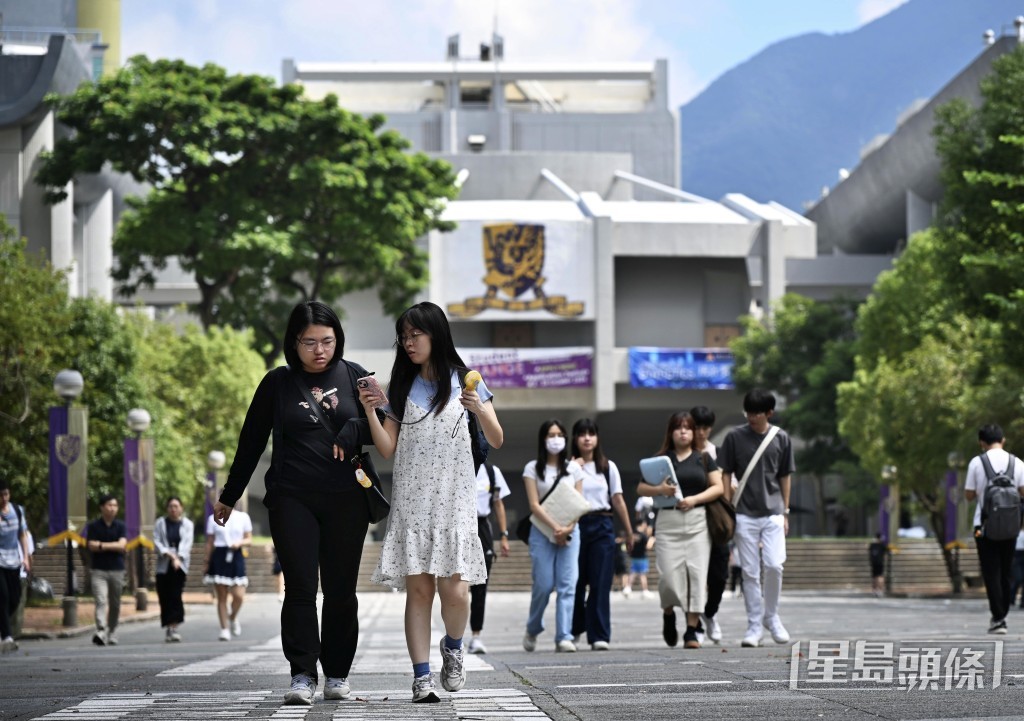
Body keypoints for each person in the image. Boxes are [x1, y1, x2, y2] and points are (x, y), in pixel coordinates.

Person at [215, 300, 375, 705]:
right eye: (309, 342)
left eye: (327, 341)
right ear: (294, 342)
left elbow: (387, 428)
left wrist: (356, 425)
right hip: (292, 499)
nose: (319, 350)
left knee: (340, 591)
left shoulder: (357, 376)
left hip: (346, 501)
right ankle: (302, 673)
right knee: (301, 588)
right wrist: (230, 496)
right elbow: (250, 441)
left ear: (337, 339)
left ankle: (337, 673)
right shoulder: (277, 383)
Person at [362, 301, 503, 703]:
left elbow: (496, 439)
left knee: (456, 592)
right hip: (412, 502)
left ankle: (454, 649)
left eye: (415, 335)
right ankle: (421, 677)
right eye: (403, 337)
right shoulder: (401, 386)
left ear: (435, 335)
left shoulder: (467, 381)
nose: (408, 343)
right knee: (419, 592)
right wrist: (373, 410)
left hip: (455, 502)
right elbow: (387, 448)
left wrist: (481, 411)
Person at [638, 411, 723, 649]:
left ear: (694, 432)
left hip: (697, 522)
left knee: (696, 575)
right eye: (678, 427)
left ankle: (691, 630)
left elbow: (717, 488)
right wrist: (660, 491)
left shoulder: (704, 458)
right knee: (668, 576)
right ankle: (668, 613)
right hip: (668, 522)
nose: (683, 431)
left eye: (687, 427)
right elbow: (641, 488)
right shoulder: (661, 459)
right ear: (671, 432)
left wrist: (695, 499)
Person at [719, 388, 795, 648]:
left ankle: (771, 617)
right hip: (743, 514)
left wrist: (786, 510)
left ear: (769, 413)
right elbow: (726, 474)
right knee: (749, 572)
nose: (752, 417)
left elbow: (785, 475)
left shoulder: (781, 438)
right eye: (749, 412)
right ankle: (754, 625)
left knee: (775, 565)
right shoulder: (734, 437)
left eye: (757, 413)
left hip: (773, 512)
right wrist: (728, 508)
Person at [521, 419, 585, 653]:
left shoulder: (575, 469)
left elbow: (580, 502)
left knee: (568, 585)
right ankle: (533, 627)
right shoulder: (532, 468)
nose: (555, 439)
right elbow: (534, 504)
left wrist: (567, 527)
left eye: (559, 434)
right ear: (543, 439)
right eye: (551, 435)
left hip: (570, 532)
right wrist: (555, 527)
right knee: (544, 584)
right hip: (541, 531)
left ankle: (563, 636)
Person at [570, 418, 634, 650]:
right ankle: (574, 630)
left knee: (600, 582)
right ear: (575, 439)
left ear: (597, 438)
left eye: (591, 433)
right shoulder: (568, 466)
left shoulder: (607, 467)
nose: (587, 438)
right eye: (582, 434)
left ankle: (599, 635)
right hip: (575, 525)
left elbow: (617, 499)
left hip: (603, 526)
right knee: (575, 582)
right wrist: (572, 468)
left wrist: (628, 531)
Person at [964, 423, 1024, 634]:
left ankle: (998, 617)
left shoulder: (977, 463)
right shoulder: (1017, 462)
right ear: (1003, 440)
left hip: (984, 526)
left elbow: (969, 494)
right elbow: (1023, 491)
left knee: (991, 571)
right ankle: (1003, 612)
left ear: (981, 442)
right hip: (1011, 526)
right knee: (1006, 571)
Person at [691, 405, 727, 645]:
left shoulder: (718, 453)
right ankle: (695, 626)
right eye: (697, 427)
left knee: (719, 574)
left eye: (705, 428)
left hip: (715, 521)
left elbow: (727, 486)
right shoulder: (683, 454)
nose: (701, 432)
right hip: (690, 520)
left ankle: (710, 613)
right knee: (694, 575)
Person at [467, 460, 511, 655]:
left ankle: (476, 636)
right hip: (457, 526)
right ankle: (453, 636)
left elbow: (498, 504)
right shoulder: (451, 462)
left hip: (482, 526)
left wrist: (503, 535)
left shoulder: (492, 472)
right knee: (453, 583)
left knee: (480, 585)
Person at [204, 506, 252, 641]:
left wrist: (240, 543)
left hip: (236, 555)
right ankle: (224, 629)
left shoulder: (243, 517)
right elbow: (210, 542)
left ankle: (232, 617)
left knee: (239, 596)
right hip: (219, 556)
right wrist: (206, 562)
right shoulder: (212, 518)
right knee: (222, 597)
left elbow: (249, 539)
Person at [84, 494, 127, 646]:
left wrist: (101, 545)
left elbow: (122, 545)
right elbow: (91, 546)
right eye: (109, 505)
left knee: (115, 603)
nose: (112, 508)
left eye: (115, 505)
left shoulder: (121, 526)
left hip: (117, 570)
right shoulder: (93, 526)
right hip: (98, 570)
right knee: (101, 600)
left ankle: (113, 631)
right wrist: (112, 545)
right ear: (102, 507)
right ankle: (101, 630)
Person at [153, 496, 194, 642]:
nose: (173, 509)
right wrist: (170, 555)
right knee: (164, 595)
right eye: (171, 506)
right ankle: (168, 626)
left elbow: (187, 544)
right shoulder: (160, 523)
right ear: (167, 508)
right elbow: (156, 541)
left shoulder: (187, 524)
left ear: (181, 508)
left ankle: (174, 627)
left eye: (176, 506)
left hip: (179, 566)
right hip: (163, 565)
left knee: (175, 595)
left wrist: (178, 558)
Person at [0, 477, 30, 653]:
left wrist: (25, 557)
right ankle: (7, 637)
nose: (4, 498)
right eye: (0, 495)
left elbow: (22, 535)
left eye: (6, 494)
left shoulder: (17, 511)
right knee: (2, 597)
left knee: (15, 598)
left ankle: (3, 628)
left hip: (14, 561)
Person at [625, 520, 654, 598]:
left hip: (634, 556)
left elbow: (628, 545)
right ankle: (645, 590)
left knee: (633, 572)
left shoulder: (633, 534)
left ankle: (628, 588)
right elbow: (648, 546)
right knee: (642, 574)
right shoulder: (643, 536)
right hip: (642, 557)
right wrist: (652, 540)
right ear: (642, 524)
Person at [868, 532, 886, 597]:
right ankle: (880, 590)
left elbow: (869, 550)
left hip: (874, 563)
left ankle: (874, 590)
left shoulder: (872, 545)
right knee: (880, 576)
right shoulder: (882, 545)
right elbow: (886, 550)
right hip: (880, 562)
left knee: (874, 577)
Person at [1012, 530, 1024, 610]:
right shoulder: (1016, 532)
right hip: (1016, 555)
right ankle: (1011, 598)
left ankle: (1023, 602)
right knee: (1018, 578)